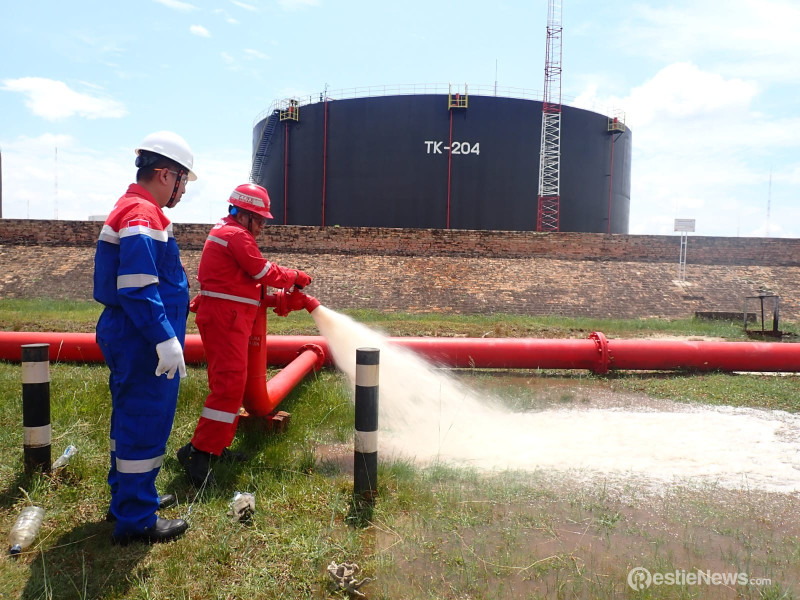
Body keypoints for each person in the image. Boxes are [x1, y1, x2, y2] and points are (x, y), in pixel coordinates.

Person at [93, 131, 196, 545]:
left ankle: (130, 495)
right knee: (144, 419)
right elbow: (137, 284)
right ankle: (137, 518)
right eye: (182, 181)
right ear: (164, 174)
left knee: (129, 416)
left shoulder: (134, 207)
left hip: (130, 333)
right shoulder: (142, 214)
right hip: (141, 337)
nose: (183, 190)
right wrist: (163, 338)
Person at [177, 183, 313, 487]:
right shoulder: (236, 235)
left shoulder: (228, 232)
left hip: (228, 317)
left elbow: (244, 280)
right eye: (260, 219)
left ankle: (214, 447)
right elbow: (261, 271)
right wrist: (294, 276)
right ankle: (198, 455)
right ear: (244, 214)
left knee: (229, 386)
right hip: (227, 320)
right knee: (228, 387)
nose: (263, 225)